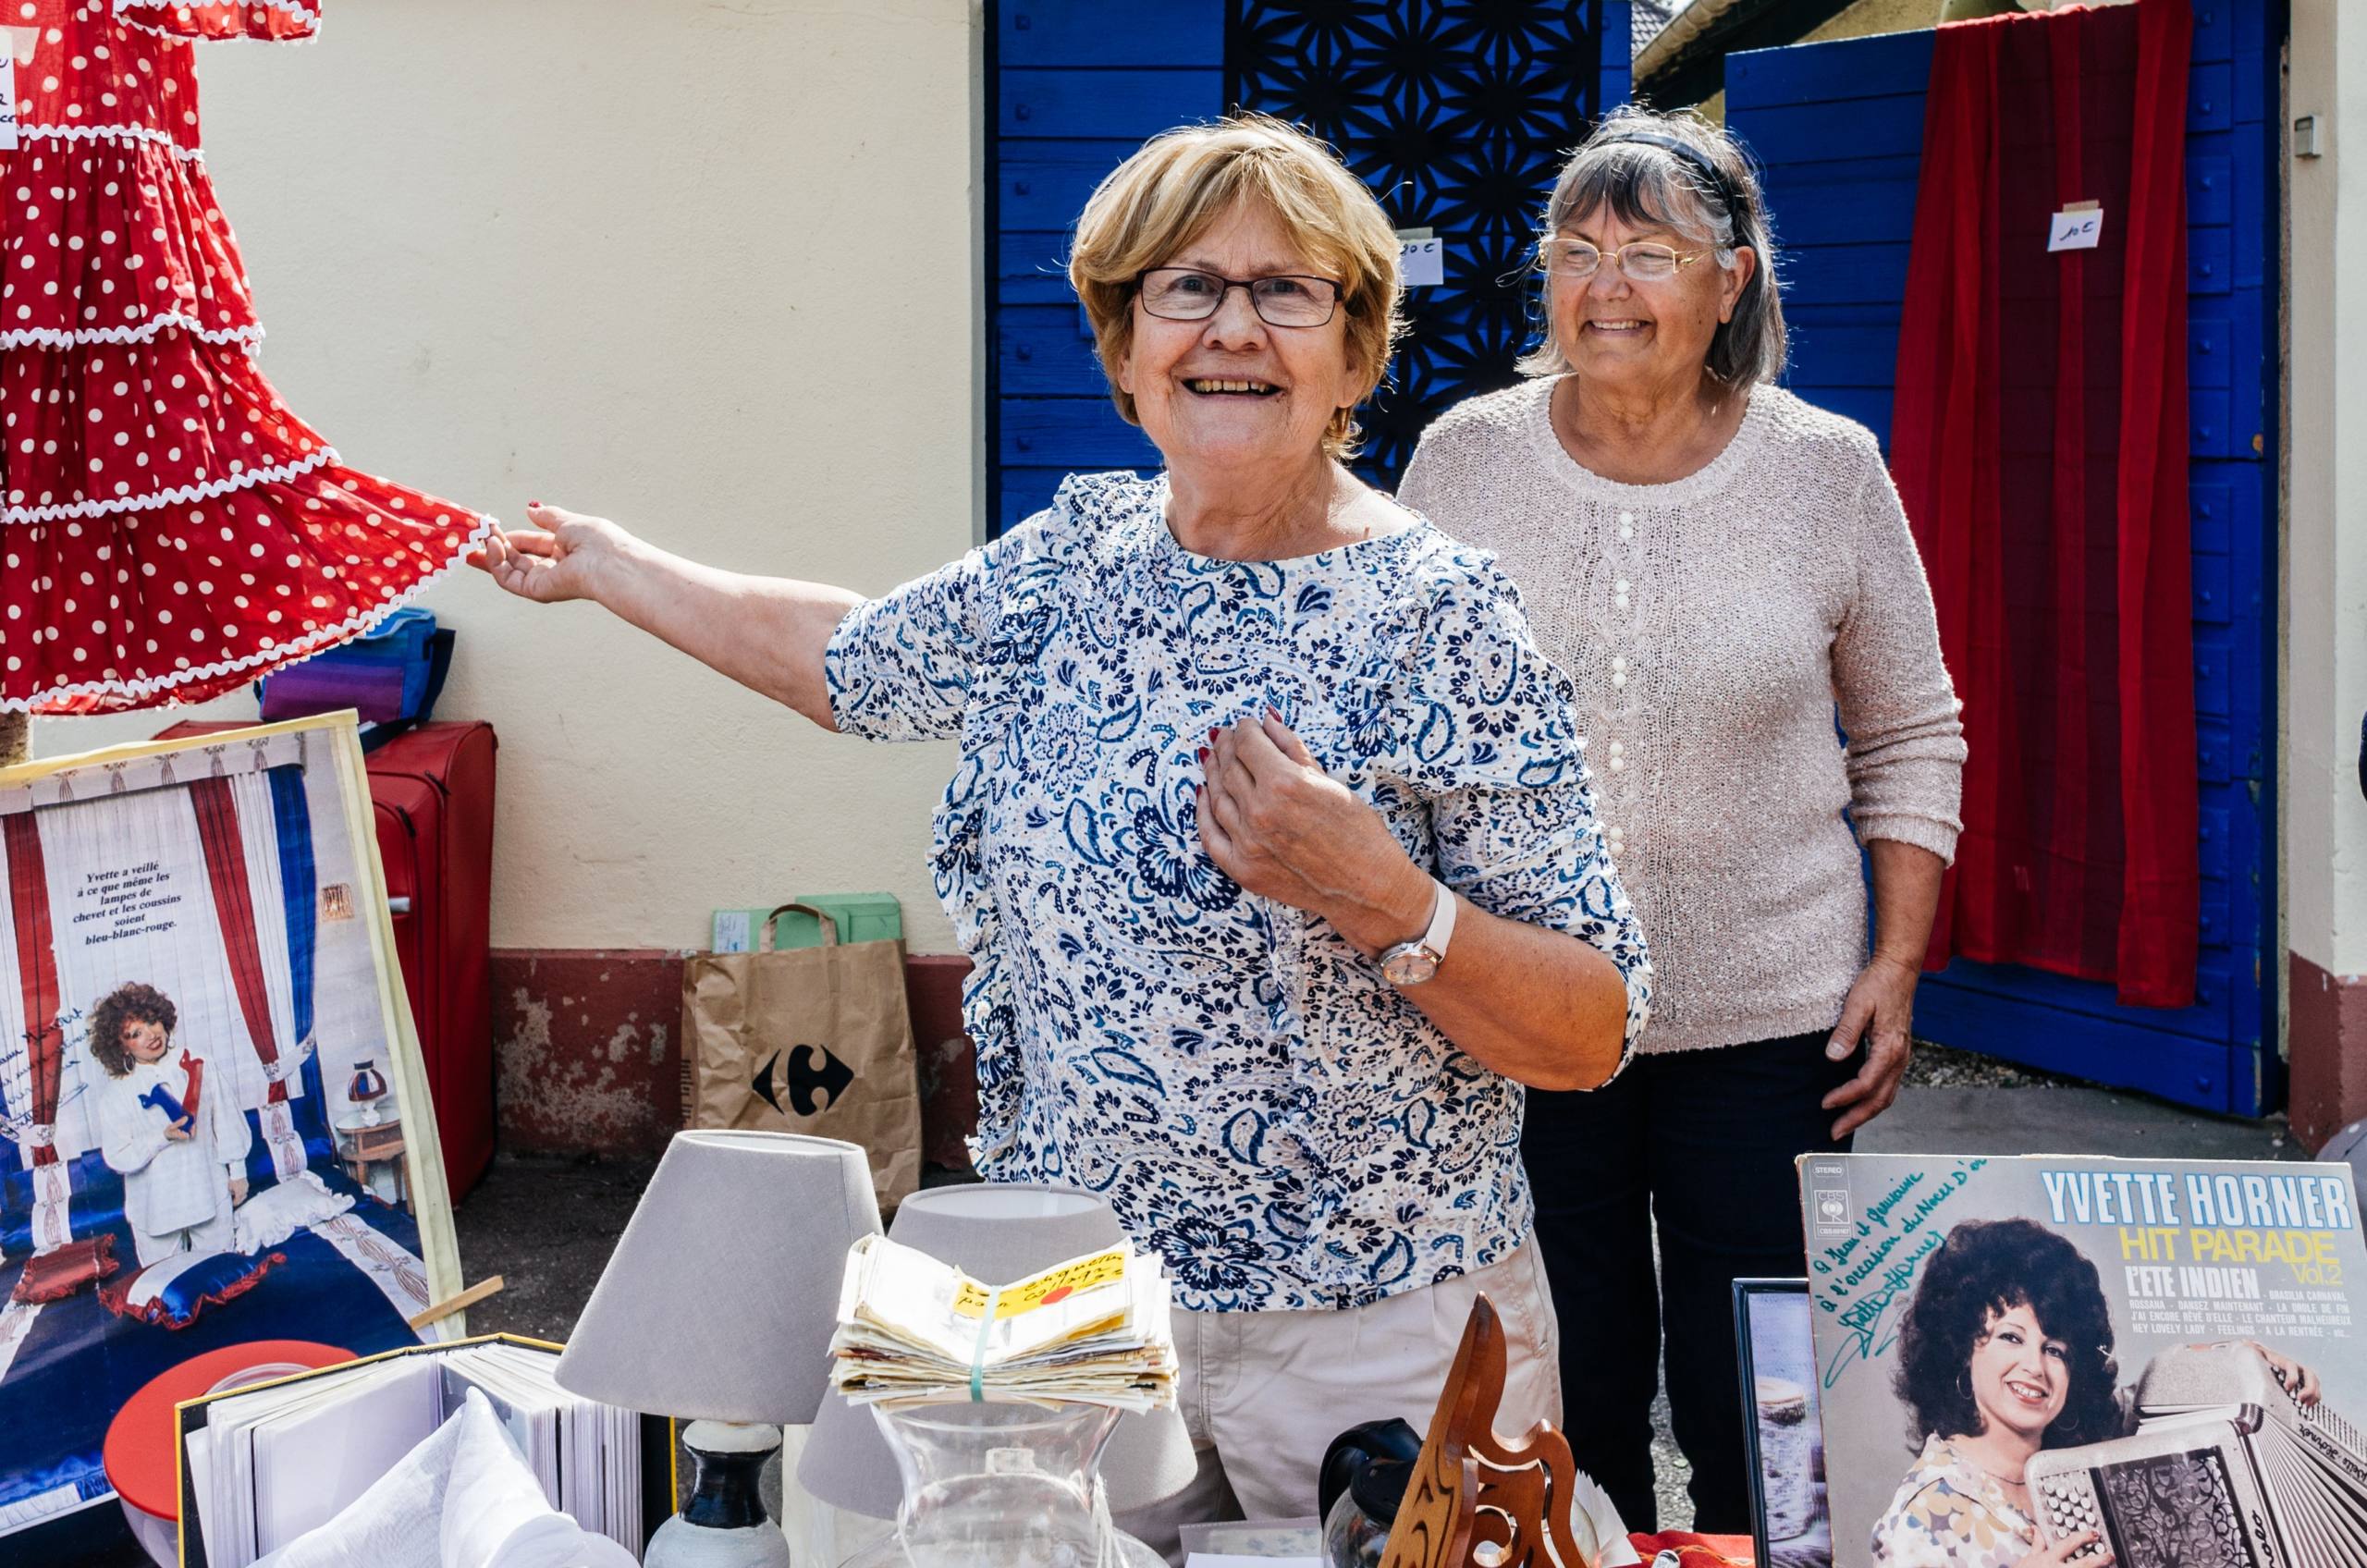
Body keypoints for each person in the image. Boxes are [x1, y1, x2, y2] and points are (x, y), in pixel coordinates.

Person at [476, 115, 1651, 1555]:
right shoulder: (1072, 561)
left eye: (1289, 291)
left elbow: (1591, 1029)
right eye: (1187, 287)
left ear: (1354, 354)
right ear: (1124, 346)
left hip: (1378, 1334)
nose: (1234, 328)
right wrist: (614, 568)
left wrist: (1385, 896)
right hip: (1068, 1295)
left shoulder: (1445, 618)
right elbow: (848, 661)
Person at [1396, 104, 1968, 1534]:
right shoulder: (1464, 460)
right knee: (1554, 1379)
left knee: (1760, 1393)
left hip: (1774, 1017)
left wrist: (1894, 967)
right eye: (1577, 249)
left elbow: (1910, 729)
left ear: (1734, 277)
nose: (1605, 285)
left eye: (1649, 251)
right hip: (1520, 1003)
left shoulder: (1825, 469)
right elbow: (1389, 733)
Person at [1876, 1218, 2321, 1567]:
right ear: (1960, 1347)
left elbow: (2161, 1385)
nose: (2034, 1367)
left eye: (2055, 1349)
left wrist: (2242, 1356)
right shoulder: (1918, 1522)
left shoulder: (2094, 1433)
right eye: (2010, 1338)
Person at [91, 982, 252, 1268]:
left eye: (152, 1022)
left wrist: (237, 1173)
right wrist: (162, 1136)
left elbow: (226, 1119)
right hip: (155, 1211)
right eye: (135, 1033)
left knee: (222, 1279)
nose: (151, 1035)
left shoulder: (201, 1063)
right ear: (121, 1045)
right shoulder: (115, 1094)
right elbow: (118, 1157)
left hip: (209, 1194)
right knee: (167, 1292)